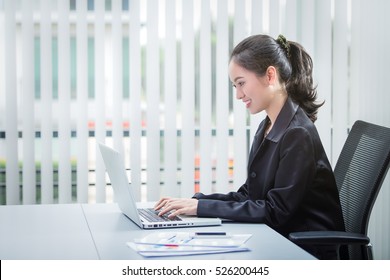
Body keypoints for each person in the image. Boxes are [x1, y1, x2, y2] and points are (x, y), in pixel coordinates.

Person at [155, 34, 345, 259]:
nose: (238, 94)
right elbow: (251, 194)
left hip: (306, 251)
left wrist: (201, 209)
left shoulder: (297, 134)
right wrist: (198, 202)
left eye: (241, 83)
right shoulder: (268, 126)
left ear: (270, 75)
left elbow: (276, 211)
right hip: (280, 239)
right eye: (235, 85)